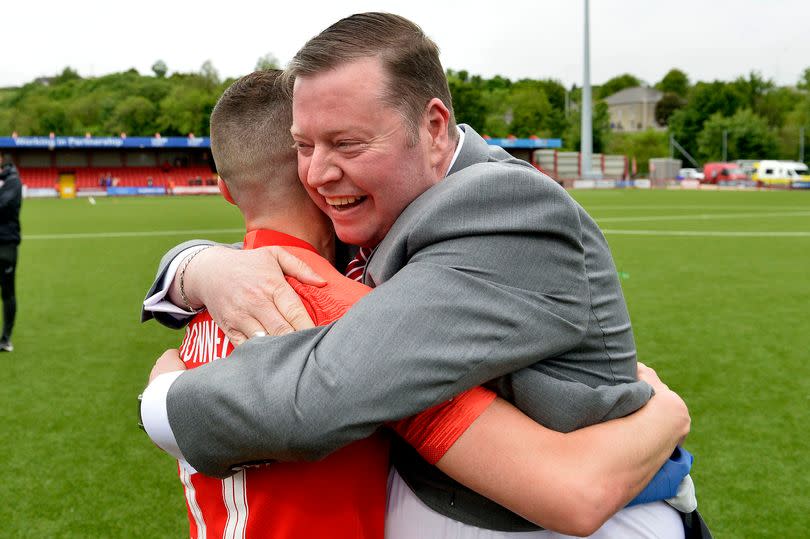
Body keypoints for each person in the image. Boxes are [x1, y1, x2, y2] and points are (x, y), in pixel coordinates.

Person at [140, 12, 707, 536]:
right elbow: (276, 234)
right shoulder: (392, 191)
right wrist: (197, 266)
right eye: (303, 147)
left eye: (346, 143)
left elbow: (321, 393)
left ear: (434, 127)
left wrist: (162, 400)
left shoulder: (504, 206)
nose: (315, 173)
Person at [0, 154, 22, 352]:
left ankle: (5, 338)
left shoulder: (13, 181)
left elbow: (4, 206)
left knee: (7, 293)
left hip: (6, 245)